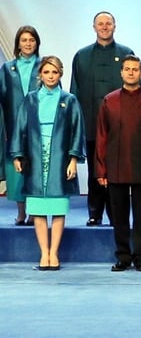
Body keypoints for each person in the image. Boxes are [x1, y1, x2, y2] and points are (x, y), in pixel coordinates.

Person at [10, 55, 86, 270]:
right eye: (46, 72)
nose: (51, 76)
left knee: (58, 208)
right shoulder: (30, 99)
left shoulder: (69, 100)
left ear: (60, 74)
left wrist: (73, 159)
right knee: (38, 208)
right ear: (40, 75)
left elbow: (77, 131)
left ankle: (55, 253)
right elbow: (19, 127)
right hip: (35, 156)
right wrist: (17, 155)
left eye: (54, 72)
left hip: (60, 156)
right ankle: (44, 253)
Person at [96, 55, 141, 272]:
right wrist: (101, 168)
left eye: (135, 69)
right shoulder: (109, 101)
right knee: (119, 215)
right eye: (127, 69)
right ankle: (123, 256)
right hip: (115, 166)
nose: (131, 72)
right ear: (121, 72)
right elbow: (101, 137)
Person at [70, 11, 134, 226]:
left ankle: (118, 214)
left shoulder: (126, 53)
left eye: (108, 23)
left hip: (121, 126)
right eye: (101, 24)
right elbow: (75, 93)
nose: (105, 27)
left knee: (119, 172)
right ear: (94, 27)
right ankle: (95, 212)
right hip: (91, 123)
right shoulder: (82, 56)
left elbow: (134, 90)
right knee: (95, 171)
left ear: (115, 26)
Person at [0, 25, 42, 225]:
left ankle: (34, 212)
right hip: (13, 125)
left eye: (31, 40)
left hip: (39, 126)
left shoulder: (44, 66)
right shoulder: (8, 68)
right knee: (16, 171)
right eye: (24, 40)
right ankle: (21, 212)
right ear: (18, 43)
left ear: (37, 43)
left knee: (35, 169)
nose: (28, 44)